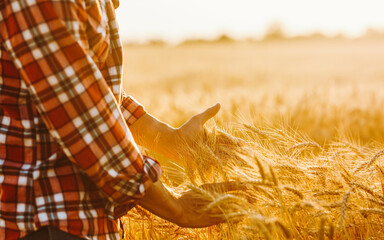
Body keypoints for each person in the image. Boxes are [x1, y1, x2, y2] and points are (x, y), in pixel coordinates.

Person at [0, 0, 226, 239]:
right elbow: (82, 111)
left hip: (78, 219)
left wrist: (170, 139)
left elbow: (91, 89)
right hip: (49, 219)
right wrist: (176, 207)